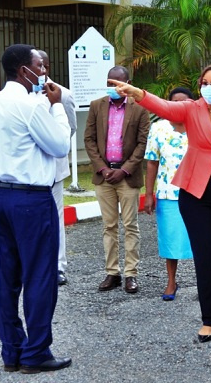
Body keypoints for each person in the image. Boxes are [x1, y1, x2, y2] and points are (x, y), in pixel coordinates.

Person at [109, 63, 211, 347]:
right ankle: (208, 320)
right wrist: (136, 92)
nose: (209, 87)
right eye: (204, 82)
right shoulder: (192, 109)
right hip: (195, 195)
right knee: (204, 258)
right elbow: (164, 106)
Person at [0, 44, 72, 374]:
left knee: (6, 278)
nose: (43, 72)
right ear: (22, 71)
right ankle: (36, 352)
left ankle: (11, 351)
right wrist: (55, 107)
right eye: (38, 67)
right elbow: (60, 145)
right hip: (31, 199)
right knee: (39, 276)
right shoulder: (31, 105)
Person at [84, 66, 151, 294]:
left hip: (127, 177)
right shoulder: (96, 106)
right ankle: (112, 272)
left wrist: (124, 170)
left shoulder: (140, 108)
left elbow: (143, 143)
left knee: (130, 226)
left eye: (118, 83)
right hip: (104, 176)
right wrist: (102, 168)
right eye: (110, 83)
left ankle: (131, 274)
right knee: (109, 226)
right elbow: (89, 140)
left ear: (128, 82)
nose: (113, 88)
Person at [144, 87, 195, 301]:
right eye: (175, 102)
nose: (180, 106)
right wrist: (148, 194)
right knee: (169, 240)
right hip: (167, 192)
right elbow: (152, 162)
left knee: (201, 241)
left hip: (197, 192)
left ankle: (204, 281)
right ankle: (171, 282)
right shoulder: (158, 127)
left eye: (185, 102)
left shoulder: (201, 124)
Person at [37, 49, 77, 286]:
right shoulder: (20, 94)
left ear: (48, 67)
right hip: (27, 170)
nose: (39, 70)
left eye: (43, 65)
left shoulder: (64, 94)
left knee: (55, 218)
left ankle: (58, 266)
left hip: (54, 167)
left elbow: (70, 129)